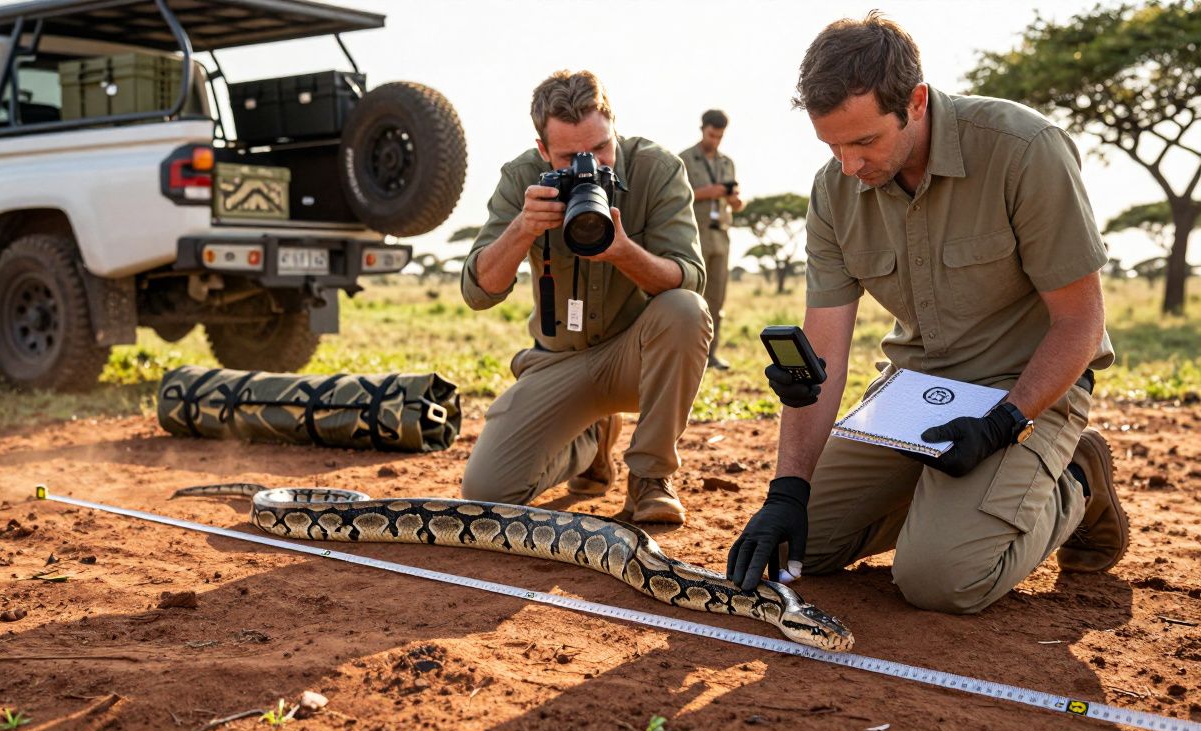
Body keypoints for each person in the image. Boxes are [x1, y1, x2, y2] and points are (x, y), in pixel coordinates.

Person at [727, 13, 1128, 614]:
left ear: (915, 102)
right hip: (913, 396)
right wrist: (786, 489)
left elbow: (1080, 322)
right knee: (799, 545)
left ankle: (1074, 480)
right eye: (831, 144)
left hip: (1022, 392)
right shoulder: (832, 190)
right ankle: (951, 494)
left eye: (864, 141)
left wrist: (1004, 422)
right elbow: (826, 351)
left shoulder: (1024, 150)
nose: (848, 166)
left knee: (941, 580)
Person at [459, 70, 712, 524]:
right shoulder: (521, 177)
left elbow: (689, 278)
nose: (589, 166)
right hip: (558, 361)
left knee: (685, 310)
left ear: (615, 128)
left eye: (600, 149)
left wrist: (622, 251)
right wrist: (523, 227)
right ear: (542, 151)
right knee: (487, 494)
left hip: (637, 358)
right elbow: (478, 292)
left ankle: (650, 478)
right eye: (570, 156)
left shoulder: (658, 168)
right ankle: (589, 442)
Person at [680, 110, 743, 370]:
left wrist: (734, 200)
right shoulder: (684, 159)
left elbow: (737, 202)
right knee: (692, 298)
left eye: (720, 136)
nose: (715, 140)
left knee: (717, 300)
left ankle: (711, 355)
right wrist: (708, 192)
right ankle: (686, 354)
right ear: (702, 129)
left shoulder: (727, 162)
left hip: (721, 235)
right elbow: (676, 197)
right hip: (695, 234)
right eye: (711, 135)